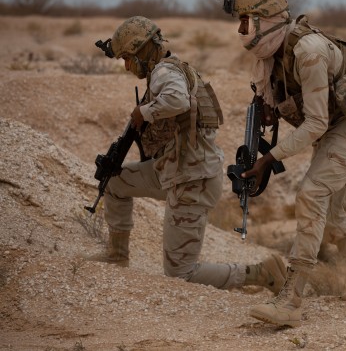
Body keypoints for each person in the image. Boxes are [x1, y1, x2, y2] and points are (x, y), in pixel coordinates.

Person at [218, 0, 346, 327]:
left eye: (246, 22)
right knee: (329, 213)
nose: (241, 31)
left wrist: (268, 160)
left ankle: (291, 299)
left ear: (266, 21)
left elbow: (316, 123)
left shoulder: (308, 52)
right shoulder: (268, 58)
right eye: (239, 22)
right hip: (335, 119)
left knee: (311, 194)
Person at [87, 16, 286, 294]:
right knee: (116, 183)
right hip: (172, 169)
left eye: (128, 58)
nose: (127, 66)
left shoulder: (164, 73)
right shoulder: (172, 68)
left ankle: (262, 274)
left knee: (181, 273)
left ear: (142, 50)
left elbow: (177, 100)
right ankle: (117, 256)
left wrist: (143, 112)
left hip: (192, 180)